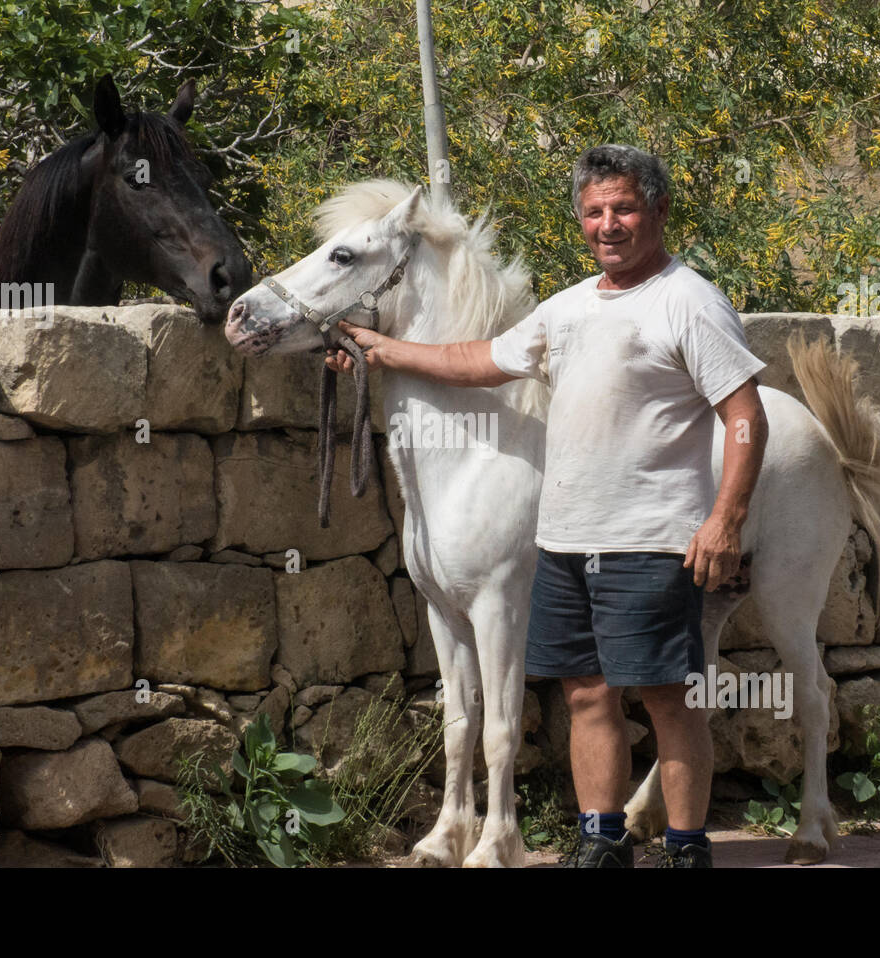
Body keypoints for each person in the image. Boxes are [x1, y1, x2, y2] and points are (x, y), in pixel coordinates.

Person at [326, 144, 768, 868]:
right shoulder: (567, 308)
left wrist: (725, 520)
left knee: (667, 700)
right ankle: (603, 841)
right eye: (594, 211)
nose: (609, 224)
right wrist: (378, 349)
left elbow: (747, 416)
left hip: (651, 539)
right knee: (588, 695)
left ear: (657, 210)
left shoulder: (690, 301)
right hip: (564, 542)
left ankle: (688, 848)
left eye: (624, 207)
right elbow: (474, 362)